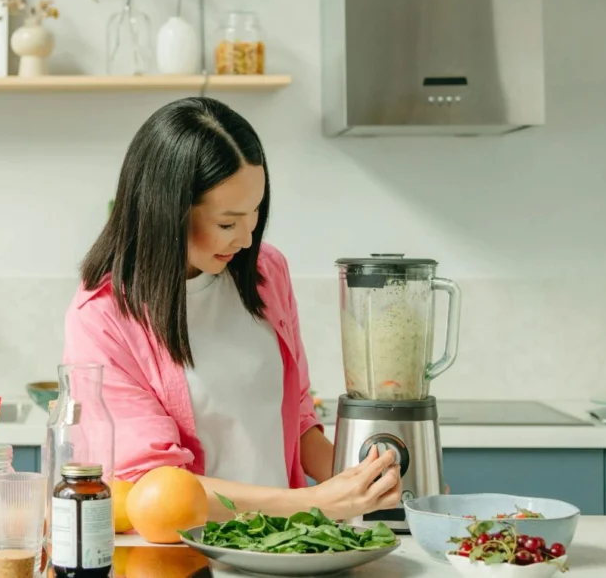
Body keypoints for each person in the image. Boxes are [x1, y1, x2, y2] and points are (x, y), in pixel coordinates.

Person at [61, 97, 401, 522]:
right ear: (168, 212)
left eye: (255, 213)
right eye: (227, 223)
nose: (246, 238)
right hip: (191, 550)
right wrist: (317, 503)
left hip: (289, 544)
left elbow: (297, 418)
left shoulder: (266, 272)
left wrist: (367, 483)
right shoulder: (102, 318)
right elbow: (158, 485)